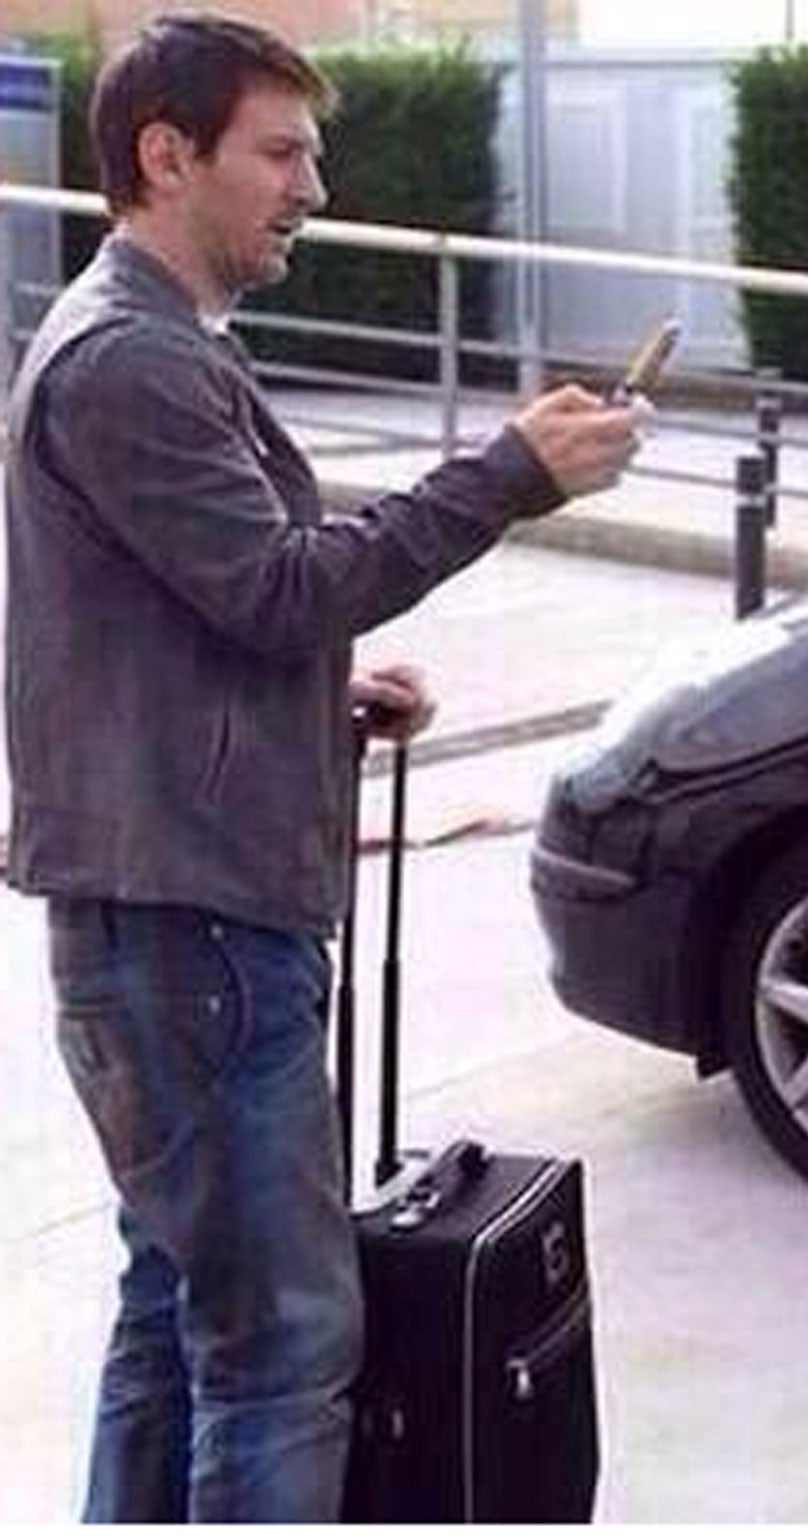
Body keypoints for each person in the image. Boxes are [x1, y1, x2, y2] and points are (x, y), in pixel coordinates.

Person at [3, 15, 642, 1521]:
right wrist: (508, 476)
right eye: (280, 153)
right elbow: (284, 583)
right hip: (197, 929)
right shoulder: (129, 363)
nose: (313, 188)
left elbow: (186, 608)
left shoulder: (145, 344)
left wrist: (318, 689)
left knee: (179, 1312)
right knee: (284, 1345)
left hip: (178, 915)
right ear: (169, 156)